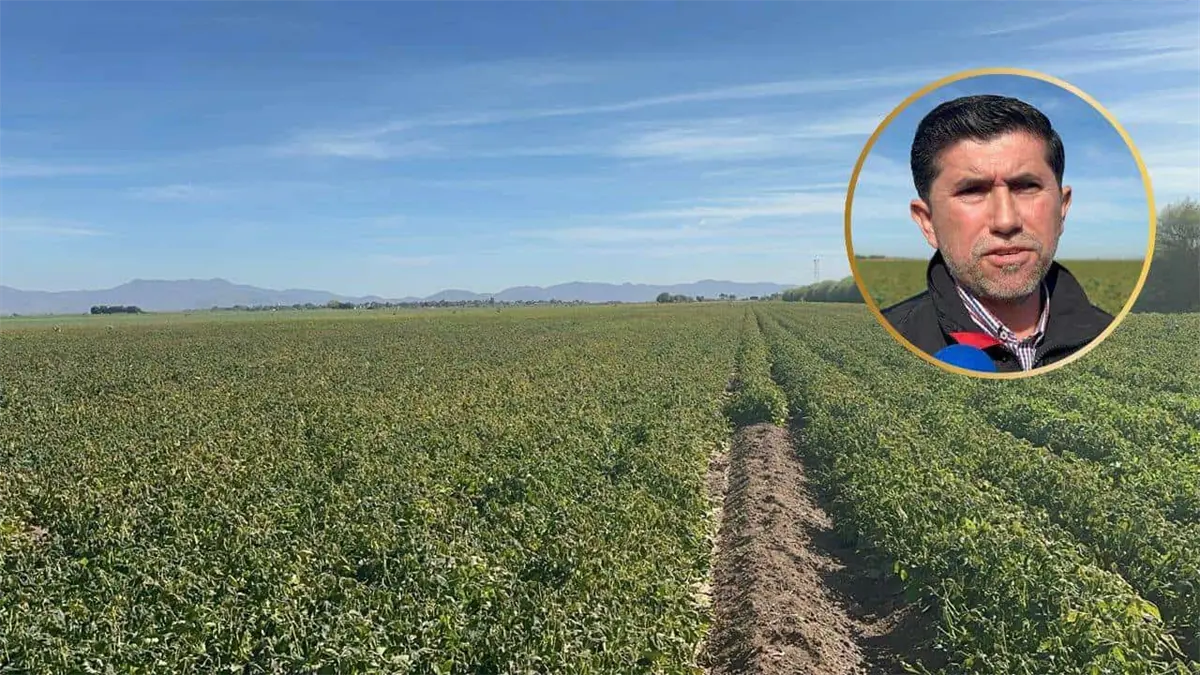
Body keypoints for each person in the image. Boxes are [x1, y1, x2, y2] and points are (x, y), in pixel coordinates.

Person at [882, 94, 1115, 373]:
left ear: (1062, 209)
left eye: (1026, 186)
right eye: (972, 191)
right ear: (927, 222)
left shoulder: (1113, 338)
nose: (1006, 221)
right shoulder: (886, 348)